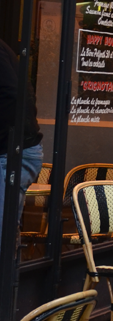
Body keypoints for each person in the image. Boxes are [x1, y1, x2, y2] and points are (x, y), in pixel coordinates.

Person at [0, 39, 44, 245]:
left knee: (3, 235)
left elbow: (14, 98)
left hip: (11, 150)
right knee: (7, 231)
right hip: (17, 147)